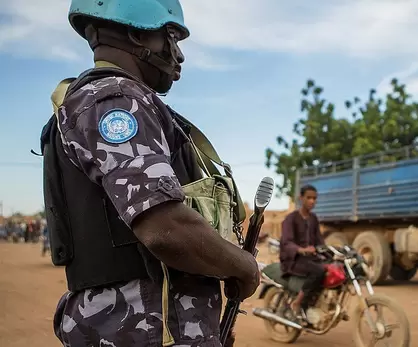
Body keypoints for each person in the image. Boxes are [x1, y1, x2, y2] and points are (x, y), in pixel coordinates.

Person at [40, 1, 259, 346]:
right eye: (172, 37)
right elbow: (165, 228)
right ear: (136, 32)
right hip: (142, 331)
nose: (180, 56)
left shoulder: (114, 99)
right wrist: (244, 267)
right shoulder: (115, 100)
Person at [279, 184, 326, 313]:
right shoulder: (291, 218)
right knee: (318, 271)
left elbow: (319, 241)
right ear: (301, 198)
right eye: (309, 197)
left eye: (314, 198)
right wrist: (301, 250)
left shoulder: (313, 218)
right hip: (294, 260)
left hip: (310, 259)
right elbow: (287, 242)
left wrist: (330, 250)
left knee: (331, 267)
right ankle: (298, 303)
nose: (312, 201)